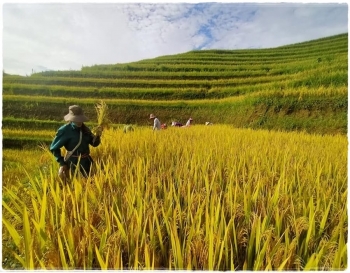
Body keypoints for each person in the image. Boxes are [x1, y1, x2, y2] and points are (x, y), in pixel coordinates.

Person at [50, 105, 103, 180]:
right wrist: (62, 162)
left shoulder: (85, 129)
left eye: (80, 119)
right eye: (76, 119)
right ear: (71, 119)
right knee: (76, 186)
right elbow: (54, 148)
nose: (79, 122)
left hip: (87, 163)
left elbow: (94, 144)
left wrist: (97, 136)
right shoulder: (65, 130)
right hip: (73, 163)